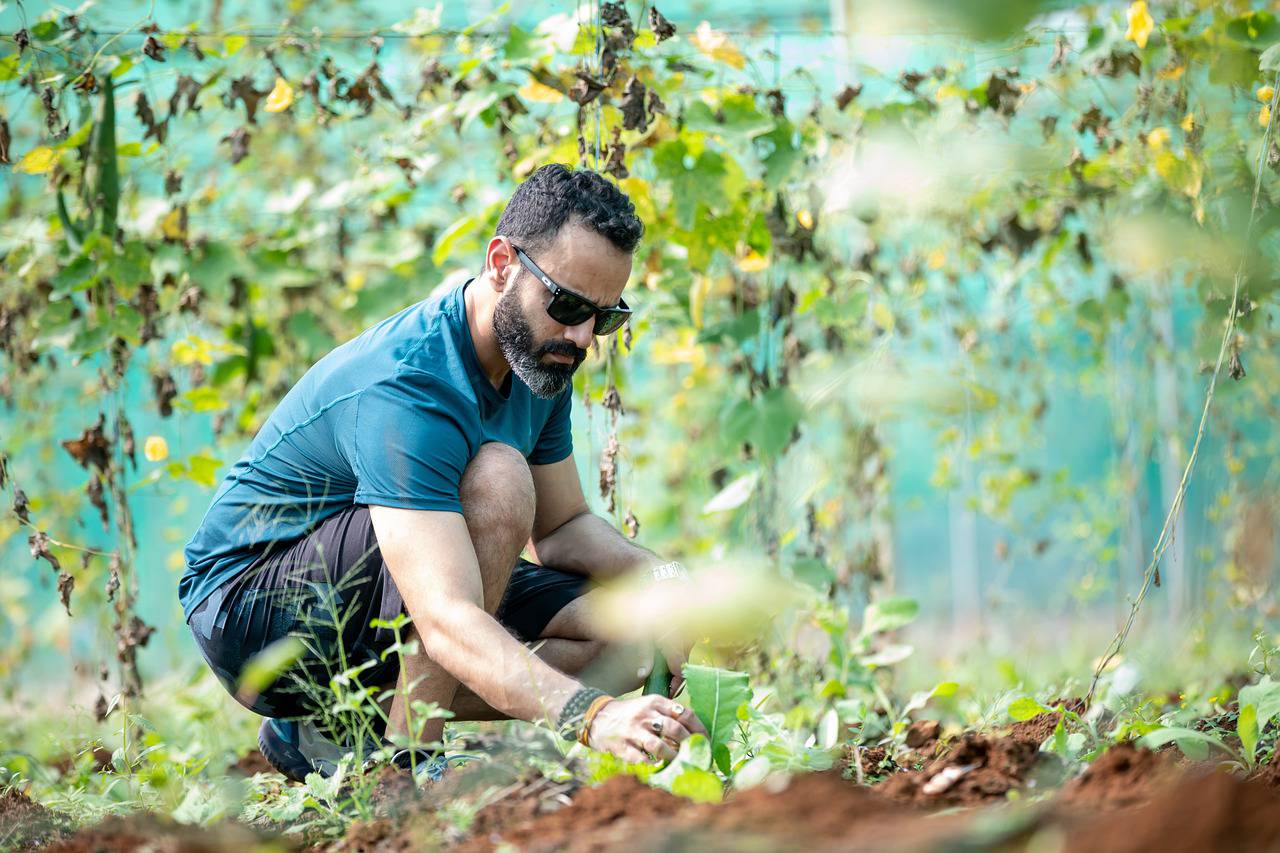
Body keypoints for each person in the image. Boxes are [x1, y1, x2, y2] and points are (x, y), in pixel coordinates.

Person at [180, 164, 705, 781]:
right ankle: (406, 766)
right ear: (502, 263)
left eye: (605, 317)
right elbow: (446, 616)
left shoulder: (541, 358)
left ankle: (338, 726)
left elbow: (562, 529)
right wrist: (592, 717)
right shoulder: (410, 383)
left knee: (626, 641)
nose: (583, 335)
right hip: (251, 610)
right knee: (499, 477)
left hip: (391, 579)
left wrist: (670, 579)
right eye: (566, 304)